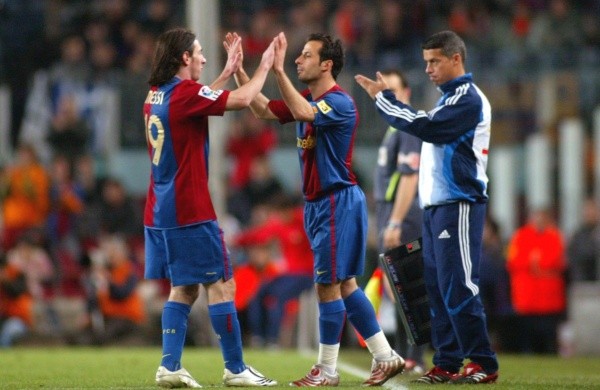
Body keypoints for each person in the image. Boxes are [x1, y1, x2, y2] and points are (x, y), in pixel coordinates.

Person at [229, 31, 404, 387]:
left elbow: (304, 112)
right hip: (321, 204)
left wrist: (278, 72)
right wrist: (239, 70)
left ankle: (327, 370)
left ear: (327, 65)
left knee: (328, 285)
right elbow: (263, 109)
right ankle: (386, 356)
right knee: (346, 286)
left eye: (305, 55)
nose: (297, 60)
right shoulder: (309, 98)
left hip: (335, 200)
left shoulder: (339, 103)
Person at [355, 30, 499, 384]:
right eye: (425, 63)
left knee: (460, 286)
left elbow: (427, 128)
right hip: (436, 208)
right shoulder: (448, 99)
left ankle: (483, 362)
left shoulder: (468, 100)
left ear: (456, 59)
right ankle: (448, 361)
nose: (429, 69)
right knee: (436, 289)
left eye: (435, 61)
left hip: (459, 204)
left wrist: (383, 99)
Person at [143, 28, 277, 388]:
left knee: (184, 287)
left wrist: (224, 73)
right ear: (184, 57)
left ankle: (170, 365)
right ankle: (235, 368)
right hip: (190, 209)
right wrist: (262, 66)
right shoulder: (184, 93)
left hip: (160, 210)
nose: (203, 58)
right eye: (199, 53)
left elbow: (198, 101)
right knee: (222, 284)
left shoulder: (157, 94)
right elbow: (241, 99)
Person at [372, 69, 426, 374]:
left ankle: (415, 357)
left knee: (407, 285)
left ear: (405, 94)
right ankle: (407, 355)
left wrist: (395, 222)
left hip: (401, 216)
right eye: (383, 93)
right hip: (389, 213)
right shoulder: (393, 129)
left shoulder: (406, 128)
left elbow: (410, 176)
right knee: (396, 288)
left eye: (391, 91)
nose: (386, 98)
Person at [506, 208, 566, 354]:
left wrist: (536, 263)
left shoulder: (555, 236)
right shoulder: (521, 235)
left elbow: (557, 261)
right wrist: (535, 263)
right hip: (526, 295)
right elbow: (513, 261)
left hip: (548, 296)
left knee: (549, 331)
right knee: (527, 332)